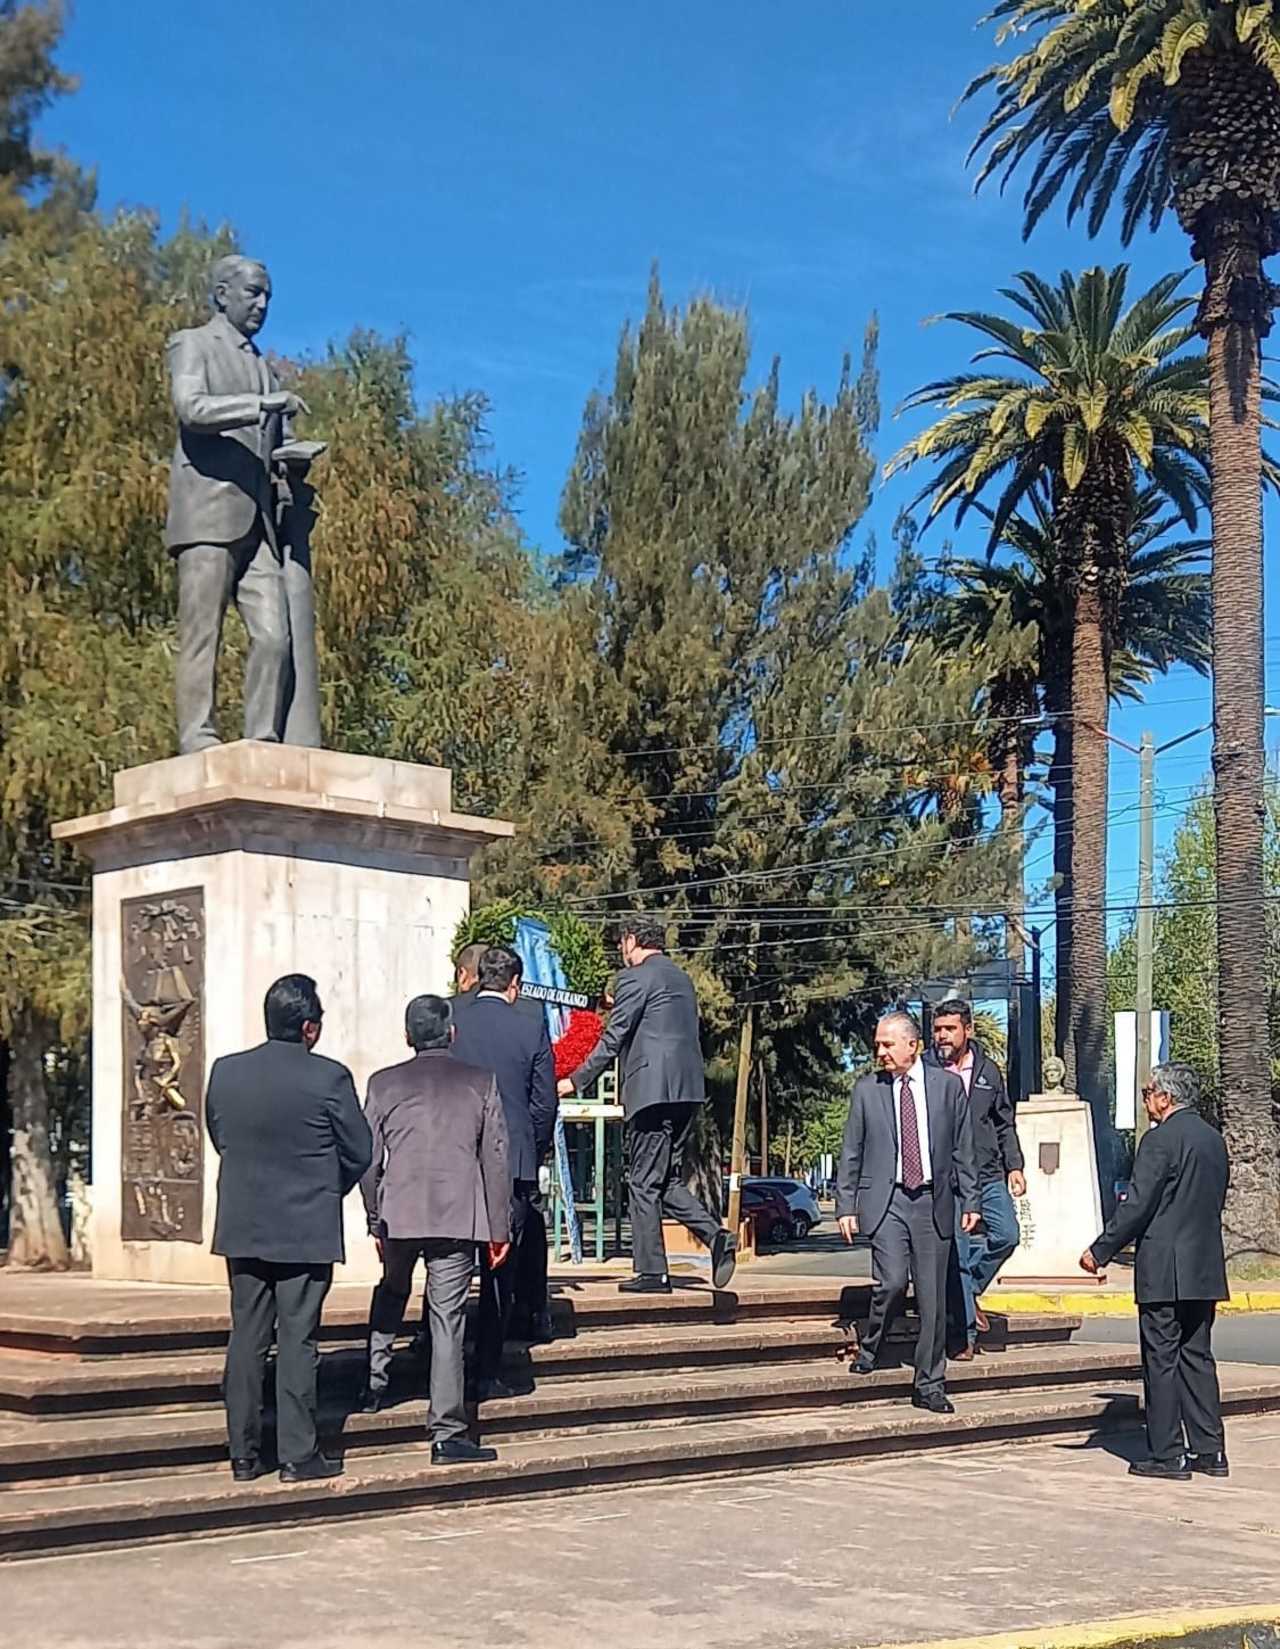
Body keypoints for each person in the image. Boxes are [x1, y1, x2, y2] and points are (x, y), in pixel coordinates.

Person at [206, 974, 371, 1483]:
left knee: (247, 1337)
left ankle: (243, 1453)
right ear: (309, 1028)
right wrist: (326, 1188)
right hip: (305, 1227)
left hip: (245, 1223)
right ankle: (298, 1454)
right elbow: (360, 1150)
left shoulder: (226, 1072)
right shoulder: (329, 1077)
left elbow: (220, 1135)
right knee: (298, 1340)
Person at [166, 254, 322, 754]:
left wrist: (294, 456)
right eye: (253, 293)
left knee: (275, 636)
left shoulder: (264, 370)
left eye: (268, 296)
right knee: (202, 634)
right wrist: (260, 405)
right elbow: (191, 408)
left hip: (259, 523)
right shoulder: (192, 344)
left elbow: (274, 443)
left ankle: (262, 740)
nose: (262, 305)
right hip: (206, 515)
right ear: (222, 294)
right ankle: (198, 736)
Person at [360, 995, 513, 1464]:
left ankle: (373, 1383)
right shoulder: (480, 1083)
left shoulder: (383, 1084)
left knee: (392, 1289)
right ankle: (447, 1431)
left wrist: (374, 1217)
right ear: (452, 1033)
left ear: (407, 1036)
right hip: (457, 1217)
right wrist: (499, 1228)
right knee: (448, 1319)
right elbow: (496, 1159)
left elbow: (367, 1160)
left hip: (400, 1213)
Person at [559, 916, 735, 1295]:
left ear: (632, 940)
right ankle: (716, 1237)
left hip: (651, 1090)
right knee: (664, 1180)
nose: (620, 949)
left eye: (622, 942)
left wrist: (576, 1080)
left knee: (641, 1181)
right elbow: (657, 1020)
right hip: (687, 1090)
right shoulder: (680, 978)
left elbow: (615, 1036)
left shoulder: (633, 977)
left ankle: (653, 1273)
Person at [1081, 1062, 1230, 1481]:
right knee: (1197, 1356)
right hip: (1203, 1265)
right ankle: (1210, 1450)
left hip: (1164, 1266)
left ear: (1166, 1097)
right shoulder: (1214, 1140)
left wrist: (1101, 1250)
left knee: (1161, 1359)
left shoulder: (1159, 1139)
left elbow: (1138, 1204)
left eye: (1148, 1092)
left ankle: (1168, 1454)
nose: (1146, 1100)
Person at [837, 1010, 979, 1414]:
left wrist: (972, 1200)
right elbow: (852, 1150)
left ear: (912, 1045)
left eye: (887, 1044)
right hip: (887, 1201)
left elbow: (964, 1148)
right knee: (893, 1282)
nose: (880, 1052)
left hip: (934, 1202)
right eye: (877, 1045)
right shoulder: (868, 1090)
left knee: (933, 1300)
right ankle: (872, 1345)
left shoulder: (947, 1087)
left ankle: (930, 1383)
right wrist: (846, 1205)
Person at [452, 946, 559, 1389]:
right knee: (500, 1270)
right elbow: (544, 1103)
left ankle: (442, 1359)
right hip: (512, 1162)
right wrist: (530, 1151)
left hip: (456, 1158)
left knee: (449, 1264)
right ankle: (487, 1371)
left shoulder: (452, 1017)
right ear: (514, 985)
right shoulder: (530, 1025)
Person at [926, 999, 1025, 1356]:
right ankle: (965, 1338)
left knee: (1007, 1235)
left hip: (987, 1173)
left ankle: (967, 1292)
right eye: (938, 1029)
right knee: (960, 1251)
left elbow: (1003, 1123)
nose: (942, 1036)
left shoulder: (988, 1071)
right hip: (947, 1180)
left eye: (950, 1029)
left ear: (967, 1030)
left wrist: (1015, 1166)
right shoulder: (924, 1070)